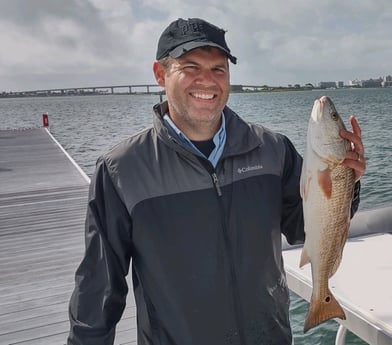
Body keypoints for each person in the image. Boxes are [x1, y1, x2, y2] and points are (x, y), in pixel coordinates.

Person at [67, 17, 366, 344]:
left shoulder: (272, 150)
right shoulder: (121, 169)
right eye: (191, 67)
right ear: (160, 74)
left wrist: (344, 185)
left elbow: (303, 229)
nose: (207, 81)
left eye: (218, 70)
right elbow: (98, 290)